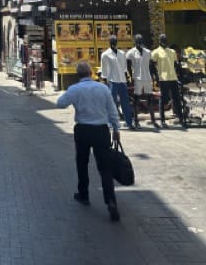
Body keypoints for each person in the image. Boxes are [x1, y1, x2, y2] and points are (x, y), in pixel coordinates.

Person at [57, 61, 121, 222]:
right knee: (105, 167)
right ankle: (110, 200)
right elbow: (112, 110)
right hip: (101, 130)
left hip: (83, 130)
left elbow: (60, 103)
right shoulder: (103, 88)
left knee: (82, 162)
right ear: (91, 72)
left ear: (78, 75)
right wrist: (116, 129)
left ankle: (83, 194)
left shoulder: (75, 89)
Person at [151, 34, 186, 128]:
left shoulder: (172, 51)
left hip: (173, 78)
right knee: (163, 100)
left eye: (166, 39)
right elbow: (152, 66)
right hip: (163, 78)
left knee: (177, 99)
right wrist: (155, 77)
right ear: (159, 40)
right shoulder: (156, 52)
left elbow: (176, 64)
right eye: (162, 39)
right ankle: (162, 121)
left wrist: (180, 75)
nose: (164, 41)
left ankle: (181, 119)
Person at [101, 35, 134, 130]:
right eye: (112, 42)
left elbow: (124, 68)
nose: (114, 44)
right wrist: (104, 81)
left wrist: (127, 78)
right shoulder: (105, 54)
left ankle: (129, 123)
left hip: (122, 81)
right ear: (109, 43)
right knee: (112, 103)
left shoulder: (122, 53)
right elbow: (104, 70)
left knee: (125, 103)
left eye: (115, 42)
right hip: (112, 81)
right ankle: (111, 123)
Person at [126, 34, 159, 129]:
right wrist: (131, 76)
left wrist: (155, 77)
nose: (139, 42)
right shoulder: (131, 53)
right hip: (137, 78)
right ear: (135, 42)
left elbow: (152, 66)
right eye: (137, 41)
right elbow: (128, 66)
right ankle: (136, 121)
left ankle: (153, 120)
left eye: (140, 41)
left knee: (150, 98)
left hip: (147, 77)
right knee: (136, 99)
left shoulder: (148, 52)